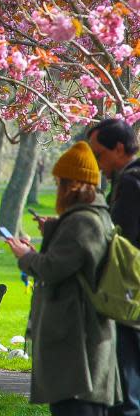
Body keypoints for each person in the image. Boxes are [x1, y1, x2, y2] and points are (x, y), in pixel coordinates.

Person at [6, 140, 119, 416]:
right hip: (79, 339)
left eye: (59, 183)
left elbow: (53, 268)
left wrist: (25, 255)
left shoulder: (83, 221)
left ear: (73, 186)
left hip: (78, 344)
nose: (57, 189)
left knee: (75, 407)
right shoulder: (90, 218)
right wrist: (53, 232)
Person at [88, 118, 140, 416]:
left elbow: (120, 238)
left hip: (128, 293)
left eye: (100, 154)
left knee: (126, 384)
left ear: (119, 148)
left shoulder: (130, 183)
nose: (98, 163)